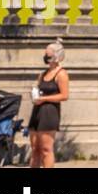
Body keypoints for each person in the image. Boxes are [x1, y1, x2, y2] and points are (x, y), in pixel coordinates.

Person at [28, 38, 69, 168]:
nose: (46, 57)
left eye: (49, 54)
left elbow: (64, 95)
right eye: (46, 54)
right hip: (37, 110)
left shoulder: (61, 74)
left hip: (49, 112)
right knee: (35, 149)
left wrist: (44, 99)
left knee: (46, 149)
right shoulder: (43, 74)